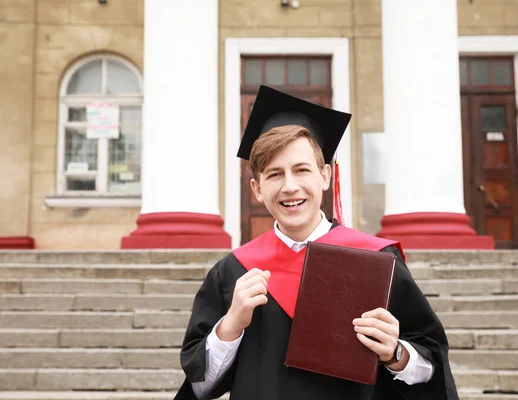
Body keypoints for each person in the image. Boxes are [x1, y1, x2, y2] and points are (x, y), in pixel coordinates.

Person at [175, 86, 459, 400]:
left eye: (301, 170)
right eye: (274, 174)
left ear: (324, 176)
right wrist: (231, 324)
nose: (289, 187)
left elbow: (431, 367)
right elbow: (202, 387)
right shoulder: (233, 272)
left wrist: (395, 354)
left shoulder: (379, 261)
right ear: (256, 188)